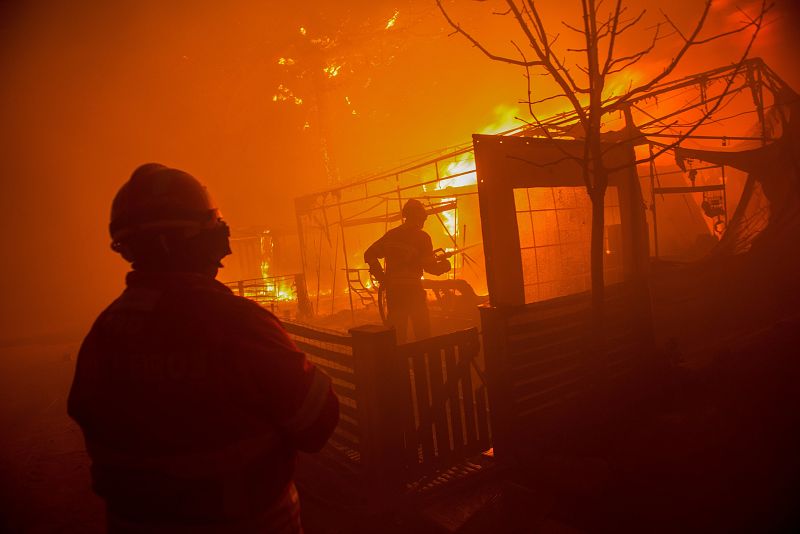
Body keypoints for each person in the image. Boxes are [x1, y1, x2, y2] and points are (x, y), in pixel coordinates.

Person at [68, 163, 338, 533]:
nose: (223, 244)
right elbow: (317, 422)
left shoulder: (105, 332)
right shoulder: (237, 323)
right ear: (196, 239)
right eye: (216, 229)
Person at [364, 199, 451, 343]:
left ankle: (398, 363)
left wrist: (382, 277)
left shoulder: (391, 235)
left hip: (394, 293)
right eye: (423, 217)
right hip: (413, 291)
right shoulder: (422, 237)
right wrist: (445, 265)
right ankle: (422, 361)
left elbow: (369, 254)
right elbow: (430, 267)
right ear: (418, 217)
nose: (424, 221)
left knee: (397, 336)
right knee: (422, 333)